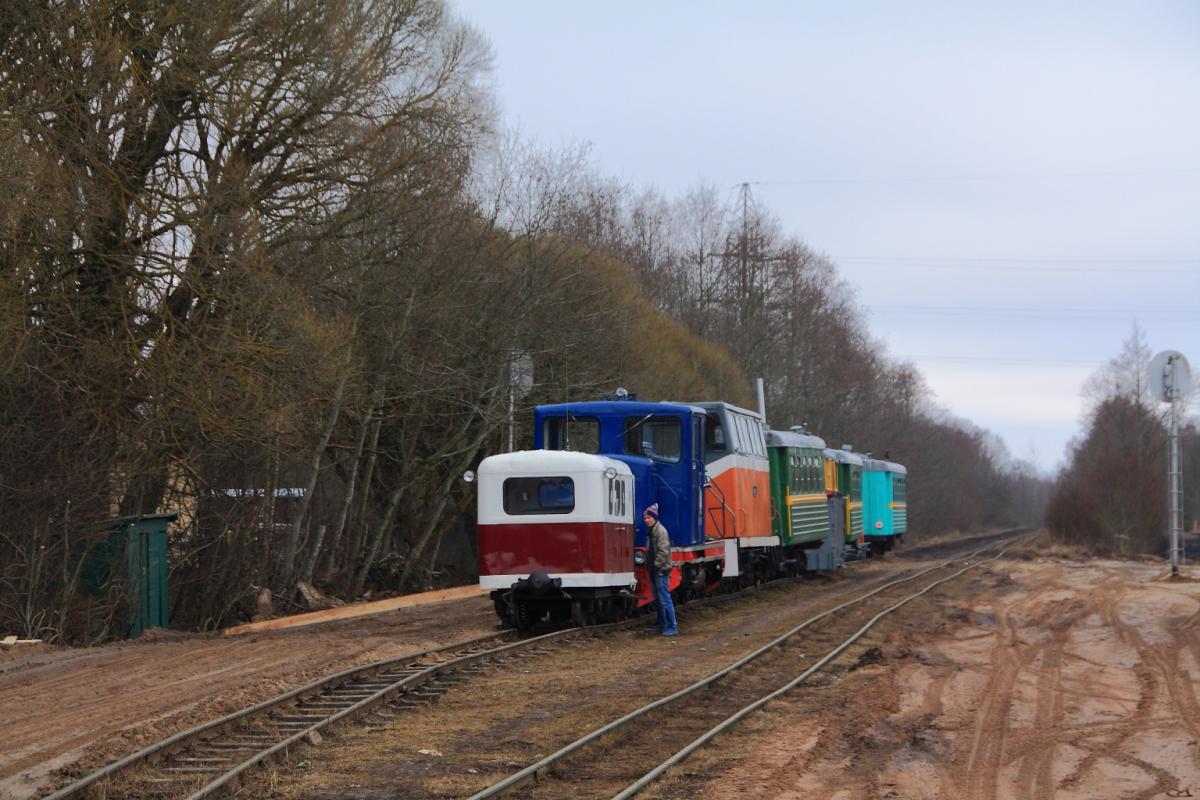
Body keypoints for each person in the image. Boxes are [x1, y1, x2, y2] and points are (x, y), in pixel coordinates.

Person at [643, 503, 677, 636]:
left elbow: (663, 552)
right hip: (654, 569)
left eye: (649, 518)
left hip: (660, 570)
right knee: (659, 599)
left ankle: (672, 626)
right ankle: (662, 624)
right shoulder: (651, 531)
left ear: (654, 518)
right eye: (645, 518)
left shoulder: (660, 531)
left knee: (664, 599)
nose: (646, 520)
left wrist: (656, 565)